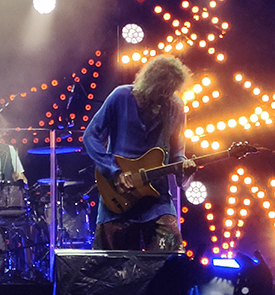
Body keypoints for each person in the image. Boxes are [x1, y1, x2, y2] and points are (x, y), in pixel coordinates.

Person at [83, 55, 196, 251]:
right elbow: (91, 136)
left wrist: (184, 168)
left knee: (171, 250)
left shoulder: (175, 106)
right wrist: (114, 171)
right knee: (113, 262)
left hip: (156, 197)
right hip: (119, 192)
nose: (165, 97)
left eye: (170, 92)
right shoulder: (120, 97)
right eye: (161, 91)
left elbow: (177, 151)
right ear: (149, 83)